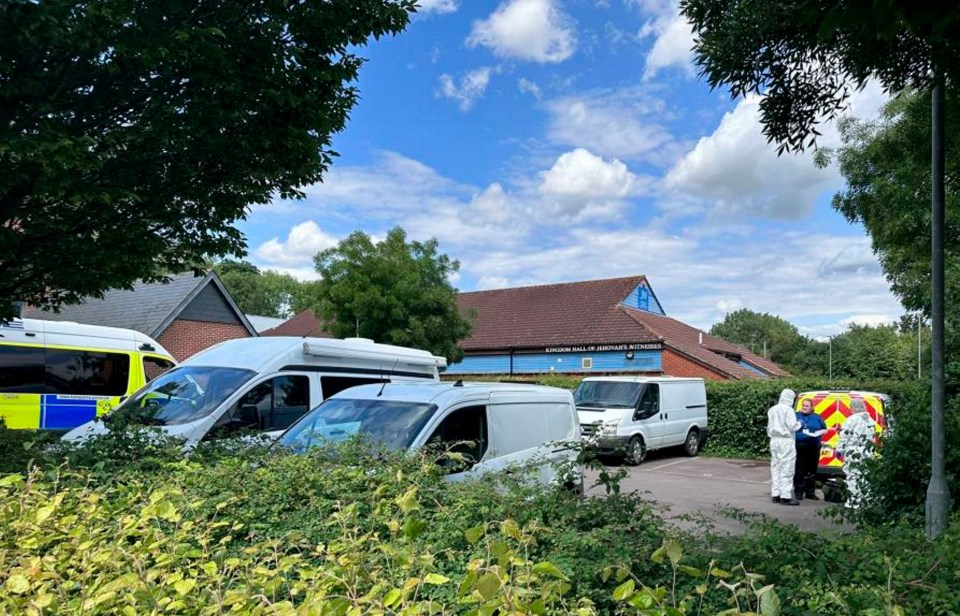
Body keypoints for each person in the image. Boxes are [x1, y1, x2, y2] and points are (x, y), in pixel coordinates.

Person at [837, 398, 877, 509]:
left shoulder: (851, 419)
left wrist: (839, 450)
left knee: (852, 476)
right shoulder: (870, 420)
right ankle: (866, 500)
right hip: (867, 451)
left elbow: (844, 436)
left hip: (853, 450)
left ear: (853, 407)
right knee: (865, 476)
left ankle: (854, 502)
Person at [767, 389, 802, 505]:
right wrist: (800, 424)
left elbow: (769, 427)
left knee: (776, 466)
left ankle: (775, 494)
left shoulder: (772, 409)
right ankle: (785, 496)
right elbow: (792, 427)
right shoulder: (789, 410)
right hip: (786, 441)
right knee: (787, 467)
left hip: (774, 440)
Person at [794, 398, 827, 500]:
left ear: (812, 408)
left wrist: (818, 434)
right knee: (800, 470)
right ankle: (799, 492)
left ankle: (810, 492)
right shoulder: (796, 415)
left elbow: (823, 428)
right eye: (803, 405)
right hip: (800, 446)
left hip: (813, 447)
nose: (804, 407)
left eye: (807, 406)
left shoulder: (817, 417)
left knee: (811, 470)